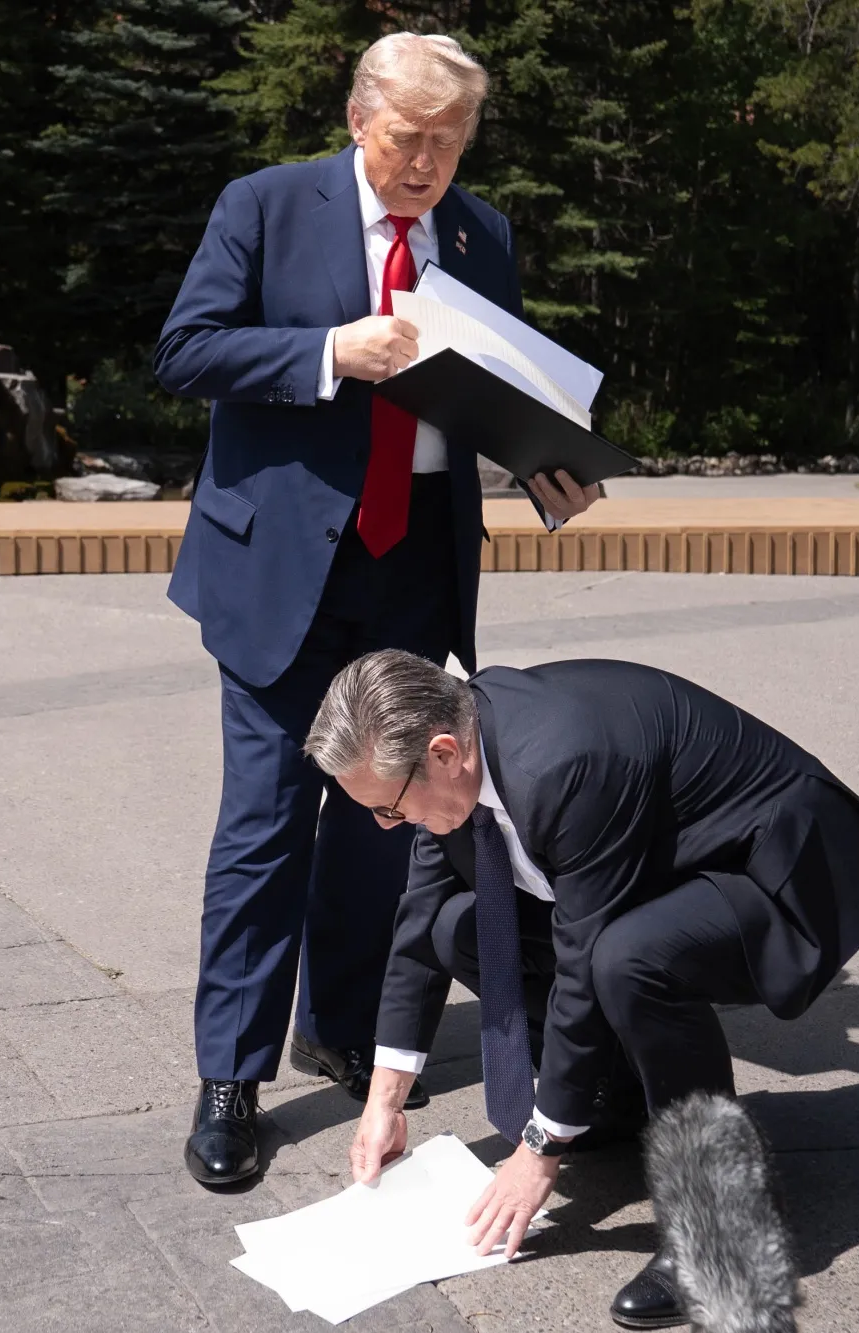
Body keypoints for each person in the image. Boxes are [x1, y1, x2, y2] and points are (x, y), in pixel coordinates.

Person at [153, 33, 602, 1189]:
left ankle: (342, 1025)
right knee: (265, 825)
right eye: (407, 138)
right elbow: (185, 349)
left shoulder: (480, 232)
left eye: (449, 142)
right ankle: (230, 1078)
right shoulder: (263, 206)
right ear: (358, 120)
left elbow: (495, 384)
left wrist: (544, 460)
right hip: (280, 572)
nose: (425, 164)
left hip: (413, 570)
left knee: (382, 817)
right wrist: (327, 352)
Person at [304, 650, 859, 1330]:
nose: (387, 824)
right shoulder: (453, 756)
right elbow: (418, 924)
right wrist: (385, 1101)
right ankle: (611, 1103)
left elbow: (584, 960)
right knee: (457, 929)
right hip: (665, 866)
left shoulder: (563, 764)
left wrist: (539, 1150)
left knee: (629, 959)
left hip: (784, 871)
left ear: (443, 753)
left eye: (388, 807)